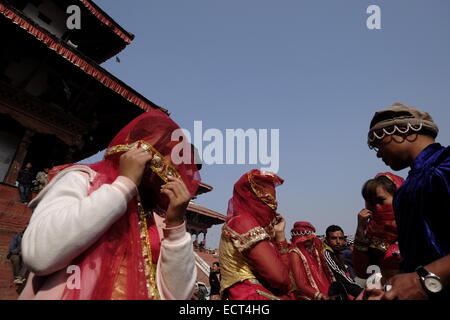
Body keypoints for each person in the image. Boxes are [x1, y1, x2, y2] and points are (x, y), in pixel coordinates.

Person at [19, 109, 201, 300]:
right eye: (160, 151)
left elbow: (180, 296)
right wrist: (123, 186)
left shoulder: (161, 216)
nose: (168, 166)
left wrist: (176, 227)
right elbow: (38, 255)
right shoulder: (84, 181)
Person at [367, 102, 450, 299]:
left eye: (379, 143)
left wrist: (424, 280)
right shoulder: (406, 188)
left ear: (403, 130)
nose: (379, 153)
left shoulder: (446, 166)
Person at [219, 170, 292, 300]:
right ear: (250, 196)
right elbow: (281, 279)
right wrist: (280, 240)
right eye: (266, 197)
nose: (273, 203)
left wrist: (279, 234)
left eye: (273, 197)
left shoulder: (258, 229)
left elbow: (285, 278)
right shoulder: (243, 222)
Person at [353, 173, 403, 280]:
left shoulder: (419, 226)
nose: (375, 207)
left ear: (399, 197)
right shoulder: (370, 234)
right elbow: (362, 271)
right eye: (370, 202)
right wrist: (361, 229)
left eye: (381, 200)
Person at [289, 221, 334, 300]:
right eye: (305, 238)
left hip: (324, 292)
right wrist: (319, 295)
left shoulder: (316, 251)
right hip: (307, 296)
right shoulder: (295, 253)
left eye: (310, 237)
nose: (308, 240)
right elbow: (301, 283)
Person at [323, 225, 363, 299]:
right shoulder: (327, 253)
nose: (338, 242)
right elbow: (340, 275)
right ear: (327, 240)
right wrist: (361, 291)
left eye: (340, 238)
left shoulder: (338, 254)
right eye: (334, 238)